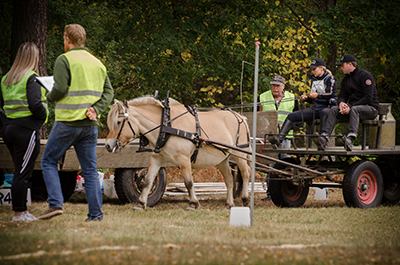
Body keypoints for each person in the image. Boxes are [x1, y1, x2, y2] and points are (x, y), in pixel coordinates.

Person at [38, 24, 114, 221]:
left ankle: (55, 204)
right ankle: (95, 215)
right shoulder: (98, 63)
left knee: (48, 161)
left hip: (67, 123)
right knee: (89, 170)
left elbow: (60, 88)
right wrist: (96, 109)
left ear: (67, 39)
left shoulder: (64, 60)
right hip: (89, 126)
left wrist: (49, 95)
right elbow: (109, 93)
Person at [1, 42, 48, 221]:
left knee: (19, 170)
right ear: (34, 58)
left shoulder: (6, 78)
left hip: (9, 128)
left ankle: (22, 211)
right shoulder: (32, 78)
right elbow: (36, 104)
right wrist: (42, 118)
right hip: (26, 130)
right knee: (22, 173)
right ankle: (19, 213)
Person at [313, 54, 379, 151]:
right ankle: (324, 138)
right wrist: (341, 104)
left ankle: (350, 139)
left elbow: (368, 98)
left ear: (350, 64)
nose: (341, 68)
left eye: (342, 65)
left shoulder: (365, 76)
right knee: (334, 109)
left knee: (355, 109)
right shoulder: (346, 79)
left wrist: (350, 106)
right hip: (352, 108)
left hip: (370, 109)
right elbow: (342, 96)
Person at [269, 59, 337, 148]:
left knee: (324, 113)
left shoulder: (330, 79)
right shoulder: (313, 80)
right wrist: (307, 99)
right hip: (315, 108)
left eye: (314, 69)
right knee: (292, 116)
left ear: (321, 68)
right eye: (311, 70)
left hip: (327, 107)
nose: (312, 71)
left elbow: (330, 93)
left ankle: (322, 141)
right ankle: (279, 140)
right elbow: (314, 100)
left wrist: (318, 95)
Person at [259, 75, 299, 200]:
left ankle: (284, 193)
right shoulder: (262, 97)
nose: (275, 88)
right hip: (269, 138)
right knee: (270, 166)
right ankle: (270, 194)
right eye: (273, 85)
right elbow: (256, 117)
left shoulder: (292, 98)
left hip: (286, 138)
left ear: (283, 87)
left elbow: (299, 118)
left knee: (284, 164)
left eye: (277, 85)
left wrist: (290, 127)